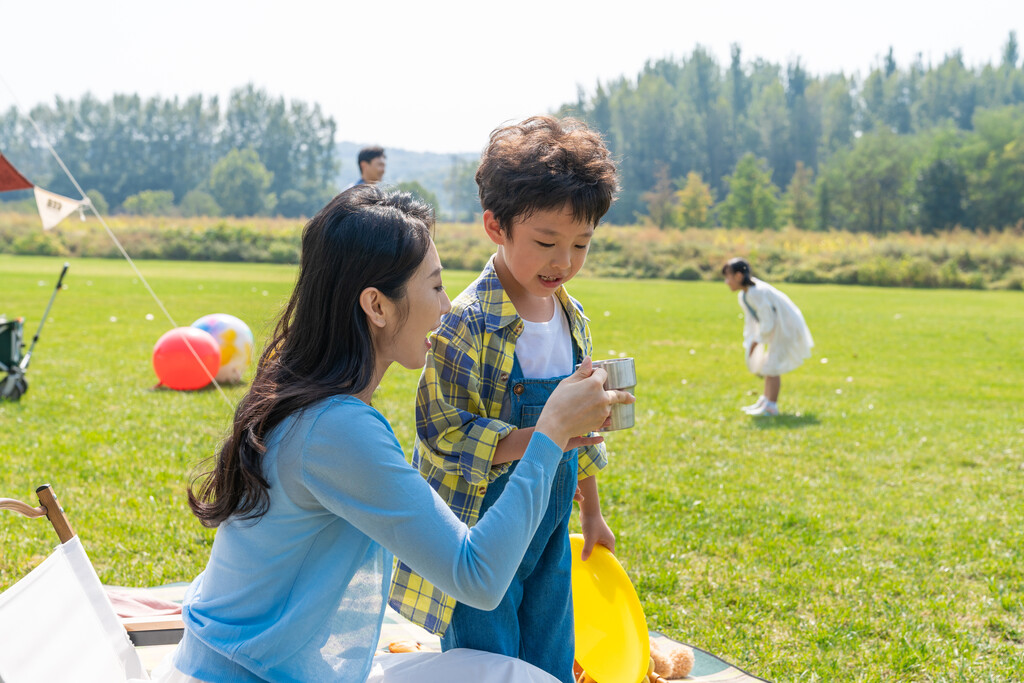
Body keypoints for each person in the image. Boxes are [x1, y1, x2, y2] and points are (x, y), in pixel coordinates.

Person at [153, 185, 632, 683]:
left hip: (232, 665)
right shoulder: (335, 430)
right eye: (435, 286)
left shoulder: (311, 401)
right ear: (377, 306)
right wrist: (549, 432)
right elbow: (479, 577)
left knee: (497, 668)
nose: (448, 307)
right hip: (245, 676)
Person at [388, 115, 619, 683]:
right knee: (487, 666)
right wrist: (544, 434)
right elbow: (443, 436)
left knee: (549, 655)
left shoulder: (572, 317)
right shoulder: (462, 324)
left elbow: (582, 430)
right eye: (545, 242)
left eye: (581, 244)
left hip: (549, 531)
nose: (562, 262)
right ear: (496, 226)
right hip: (478, 532)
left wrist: (591, 512)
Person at [722, 257, 814, 417]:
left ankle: (771, 406)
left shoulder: (756, 292)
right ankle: (765, 400)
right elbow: (753, 320)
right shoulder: (746, 294)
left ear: (738, 276)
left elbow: (767, 321)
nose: (726, 282)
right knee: (768, 365)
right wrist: (751, 339)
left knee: (772, 366)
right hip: (777, 328)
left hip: (786, 327)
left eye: (728, 277)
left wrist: (757, 341)